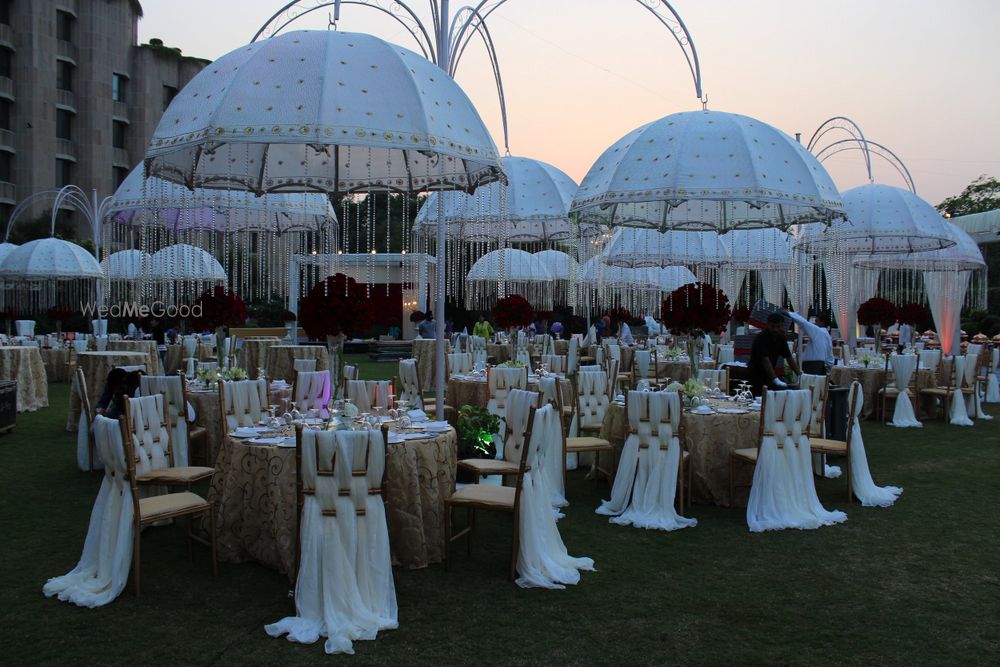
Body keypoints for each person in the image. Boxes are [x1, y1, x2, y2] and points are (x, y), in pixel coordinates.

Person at [748, 313, 800, 396]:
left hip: (769, 375)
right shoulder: (761, 337)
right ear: (767, 325)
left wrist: (799, 374)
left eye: (778, 327)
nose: (775, 329)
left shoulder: (781, 338)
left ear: (782, 326)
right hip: (756, 374)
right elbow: (765, 359)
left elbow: (789, 357)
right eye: (773, 326)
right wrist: (775, 379)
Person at [784, 309, 834, 376]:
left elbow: (804, 323)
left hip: (811, 365)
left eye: (816, 321)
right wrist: (829, 369)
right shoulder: (827, 335)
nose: (815, 323)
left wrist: (790, 314)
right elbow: (830, 355)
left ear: (822, 322)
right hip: (821, 365)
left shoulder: (817, 331)